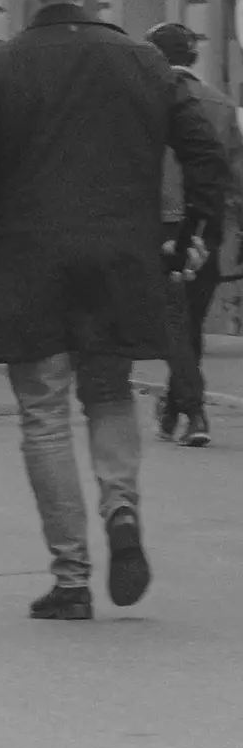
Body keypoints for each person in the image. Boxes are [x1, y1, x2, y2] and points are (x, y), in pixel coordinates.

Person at [0, 0, 227, 619]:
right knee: (107, 392)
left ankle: (71, 578)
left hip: (27, 259)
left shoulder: (1, 67)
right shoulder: (142, 63)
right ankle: (123, 512)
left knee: (43, 414)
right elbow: (207, 154)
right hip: (119, 257)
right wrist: (191, 231)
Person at [145, 22, 243, 446]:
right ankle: (171, 411)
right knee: (189, 323)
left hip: (163, 225)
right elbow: (236, 173)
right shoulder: (222, 105)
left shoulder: (148, 102)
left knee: (172, 321)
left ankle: (195, 410)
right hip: (209, 226)